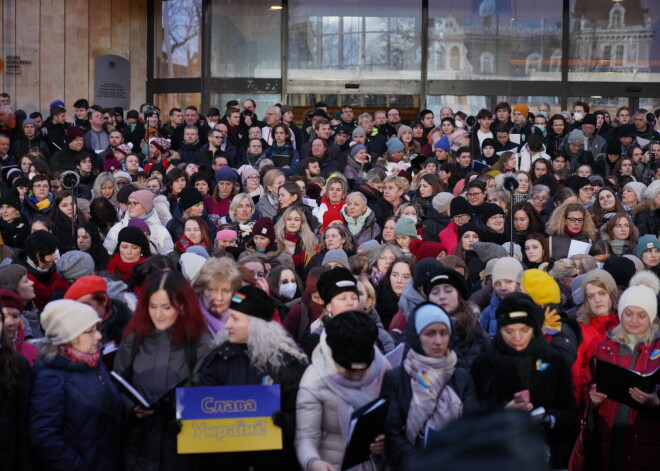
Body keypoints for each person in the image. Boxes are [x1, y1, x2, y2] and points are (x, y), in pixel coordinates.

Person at [195, 285, 309, 469]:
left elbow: (303, 411)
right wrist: (185, 426)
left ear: (257, 325)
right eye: (228, 317)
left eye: (235, 319)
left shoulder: (287, 363)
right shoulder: (217, 358)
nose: (227, 325)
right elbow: (202, 405)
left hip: (272, 462)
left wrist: (287, 423)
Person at [113, 271, 210, 471]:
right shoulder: (133, 339)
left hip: (182, 448)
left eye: (167, 307)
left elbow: (208, 393)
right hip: (138, 446)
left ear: (182, 305)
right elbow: (116, 386)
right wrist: (131, 408)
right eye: (153, 306)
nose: (158, 314)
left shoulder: (200, 342)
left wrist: (175, 409)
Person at [471, 293, 578, 468]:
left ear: (534, 328)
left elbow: (570, 413)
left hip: (542, 454)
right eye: (509, 331)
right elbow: (471, 419)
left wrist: (546, 417)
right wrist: (503, 414)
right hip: (495, 456)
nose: (517, 338)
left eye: (524, 330)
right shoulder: (483, 364)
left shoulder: (553, 361)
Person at [381, 302, 478, 469]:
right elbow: (393, 435)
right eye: (430, 334)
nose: (438, 341)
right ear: (416, 336)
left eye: (444, 333)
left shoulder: (461, 378)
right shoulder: (396, 379)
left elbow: (471, 429)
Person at [29, 300, 122, 471]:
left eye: (97, 329)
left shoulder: (94, 363)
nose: (99, 336)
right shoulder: (51, 378)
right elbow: (44, 436)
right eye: (90, 331)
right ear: (69, 337)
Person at [295, 311, 390, 471]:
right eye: (348, 370)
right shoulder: (314, 378)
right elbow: (306, 436)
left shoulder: (383, 367)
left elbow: (395, 420)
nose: (356, 376)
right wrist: (313, 462)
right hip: (332, 464)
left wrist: (385, 441)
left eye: (362, 370)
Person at [588, 272, 660, 470]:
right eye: (628, 313)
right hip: (609, 436)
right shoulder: (604, 347)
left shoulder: (658, 349)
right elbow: (590, 389)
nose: (634, 320)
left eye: (641, 315)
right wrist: (593, 402)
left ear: (651, 317)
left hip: (646, 440)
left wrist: (656, 404)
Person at [571, 269, 620, 413]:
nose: (597, 300)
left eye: (602, 293)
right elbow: (577, 377)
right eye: (591, 296)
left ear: (612, 294)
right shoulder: (580, 329)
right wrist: (589, 401)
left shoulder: (628, 323)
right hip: (596, 409)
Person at [423, 265, 489, 369]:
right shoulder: (416, 330)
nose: (442, 296)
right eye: (435, 292)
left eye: (448, 291)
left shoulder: (477, 334)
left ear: (459, 295)